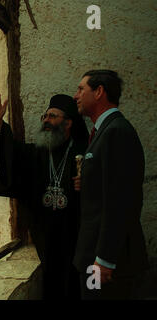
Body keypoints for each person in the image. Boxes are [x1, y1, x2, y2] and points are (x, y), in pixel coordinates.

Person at [0, 93, 89, 299]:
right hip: (47, 242)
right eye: (45, 116)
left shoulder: (84, 153)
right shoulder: (36, 154)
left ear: (68, 123)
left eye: (52, 116)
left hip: (78, 241)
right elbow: (7, 160)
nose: (46, 120)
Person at [73, 69, 149, 300]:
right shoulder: (104, 131)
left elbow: (121, 201)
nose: (76, 96)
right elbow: (107, 187)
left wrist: (105, 259)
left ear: (99, 92)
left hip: (104, 262)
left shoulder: (116, 132)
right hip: (95, 255)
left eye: (80, 89)